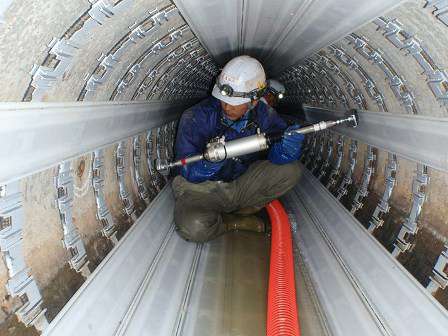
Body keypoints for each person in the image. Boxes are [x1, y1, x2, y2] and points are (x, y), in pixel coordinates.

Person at [173, 55, 304, 243]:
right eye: (224, 100)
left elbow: (275, 157)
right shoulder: (195, 117)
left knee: (291, 170)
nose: (227, 107)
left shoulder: (265, 116)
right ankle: (233, 222)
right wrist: (208, 164)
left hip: (239, 182)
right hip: (202, 189)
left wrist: (286, 150)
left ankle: (245, 212)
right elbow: (186, 171)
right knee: (193, 227)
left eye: (235, 103)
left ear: (254, 100)